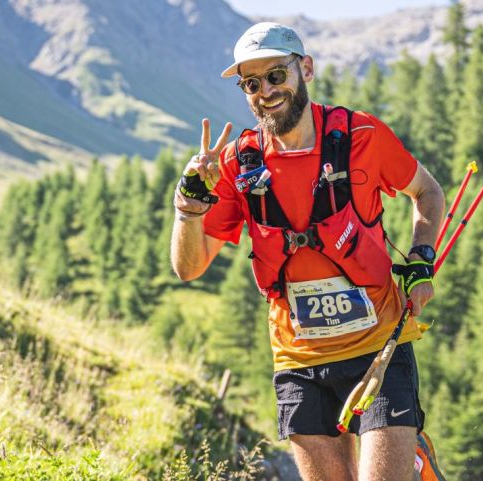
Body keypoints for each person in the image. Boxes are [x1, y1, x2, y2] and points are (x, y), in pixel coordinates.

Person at [170, 22, 447, 481]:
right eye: (252, 84)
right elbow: (188, 267)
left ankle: (412, 461)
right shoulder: (239, 164)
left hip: (378, 346)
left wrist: (421, 261)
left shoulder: (362, 136)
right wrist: (188, 207)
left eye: (276, 76)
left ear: (306, 69)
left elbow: (429, 192)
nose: (266, 91)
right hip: (298, 363)